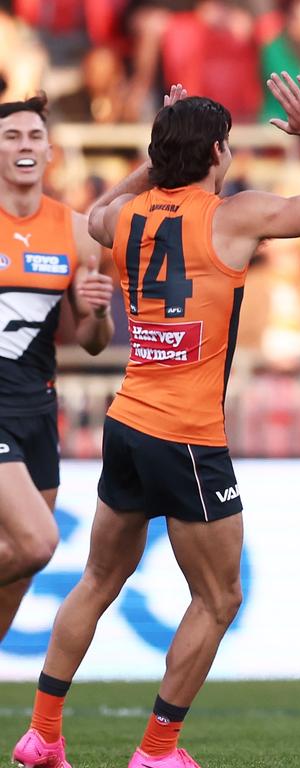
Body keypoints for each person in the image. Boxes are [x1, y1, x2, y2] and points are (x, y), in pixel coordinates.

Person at [11, 73, 300, 768]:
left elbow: (94, 216)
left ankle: (42, 733)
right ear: (219, 155)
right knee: (219, 594)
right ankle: (157, 751)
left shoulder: (129, 218)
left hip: (129, 420)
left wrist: (154, 155)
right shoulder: (233, 216)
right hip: (189, 435)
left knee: (98, 579)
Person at [0, 94, 114, 644]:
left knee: (20, 569)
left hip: (38, 410)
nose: (24, 146)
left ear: (50, 151)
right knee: (38, 541)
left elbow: (94, 342)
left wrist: (95, 311)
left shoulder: (74, 231)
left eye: (33, 137)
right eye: (11, 136)